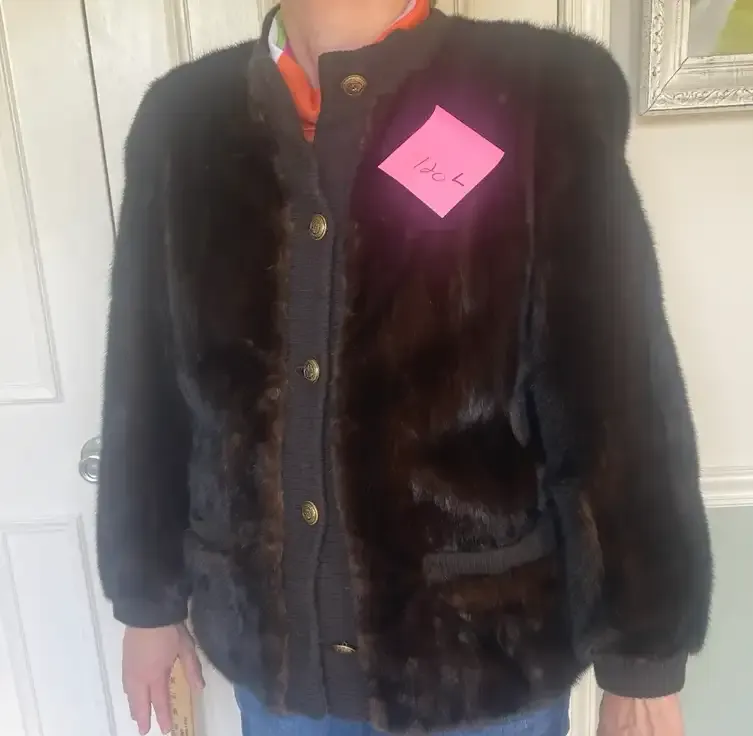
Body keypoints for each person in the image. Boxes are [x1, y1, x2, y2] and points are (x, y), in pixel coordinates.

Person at [96, 1, 713, 735]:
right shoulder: (184, 123)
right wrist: (147, 602)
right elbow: (145, 386)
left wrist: (642, 655)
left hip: (481, 666)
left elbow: (615, 394)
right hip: (280, 669)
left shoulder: (538, 97)